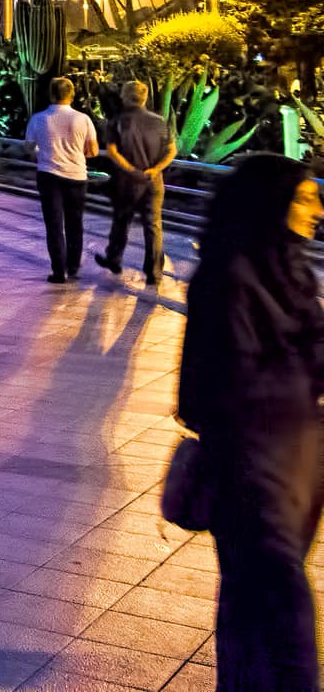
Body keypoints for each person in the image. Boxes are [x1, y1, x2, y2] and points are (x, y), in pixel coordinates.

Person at [177, 156, 324, 691]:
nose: (317, 210)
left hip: (297, 461)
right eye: (305, 199)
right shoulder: (227, 277)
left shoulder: (292, 268)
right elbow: (207, 388)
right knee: (281, 599)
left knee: (249, 595)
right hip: (250, 464)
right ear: (270, 203)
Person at [97, 79, 176, 287]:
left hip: (126, 182)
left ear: (124, 96)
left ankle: (114, 259)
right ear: (144, 98)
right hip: (153, 181)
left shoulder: (117, 120)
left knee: (121, 221)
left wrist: (131, 170)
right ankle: (154, 272)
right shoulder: (159, 121)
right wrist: (155, 169)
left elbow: (112, 151)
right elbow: (171, 150)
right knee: (153, 225)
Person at [25, 76, 98, 283]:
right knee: (75, 223)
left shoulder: (38, 119)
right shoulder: (83, 119)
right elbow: (93, 150)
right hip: (76, 176)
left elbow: (29, 147)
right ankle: (73, 267)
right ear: (71, 95)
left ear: (50, 94)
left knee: (54, 224)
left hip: (48, 175)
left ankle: (59, 271)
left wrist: (43, 151)